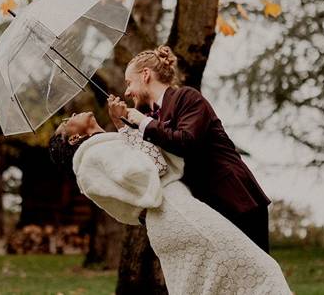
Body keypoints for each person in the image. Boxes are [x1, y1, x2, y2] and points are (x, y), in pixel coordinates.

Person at [49, 112, 292, 294]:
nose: (72, 115)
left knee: (205, 286)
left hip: (164, 221)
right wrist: (131, 130)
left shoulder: (96, 158)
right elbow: (148, 170)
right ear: (75, 138)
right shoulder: (96, 154)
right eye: (67, 121)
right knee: (260, 272)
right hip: (176, 212)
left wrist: (126, 129)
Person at [108, 45, 273, 253]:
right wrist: (120, 123)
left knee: (258, 277)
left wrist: (144, 123)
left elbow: (186, 141)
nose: (126, 91)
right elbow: (149, 160)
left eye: (129, 82)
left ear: (146, 75)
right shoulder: (151, 118)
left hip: (236, 200)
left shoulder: (187, 98)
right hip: (207, 208)